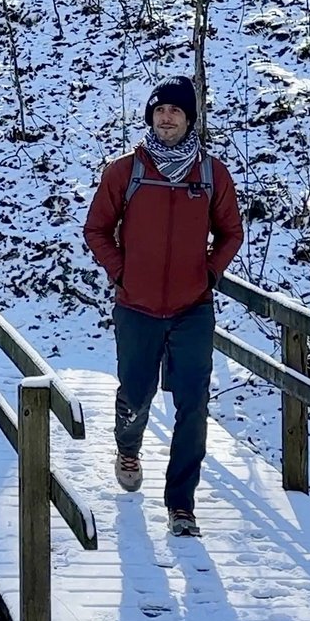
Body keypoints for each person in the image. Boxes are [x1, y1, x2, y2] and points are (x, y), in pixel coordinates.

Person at [82, 75, 245, 537]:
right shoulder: (125, 172)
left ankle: (181, 505)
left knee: (193, 405)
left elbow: (231, 232)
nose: (167, 117)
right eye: (159, 110)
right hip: (136, 307)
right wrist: (121, 273)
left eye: (175, 110)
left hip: (192, 309)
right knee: (135, 394)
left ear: (190, 118)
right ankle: (128, 447)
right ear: (151, 117)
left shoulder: (211, 175)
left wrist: (209, 274)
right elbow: (96, 229)